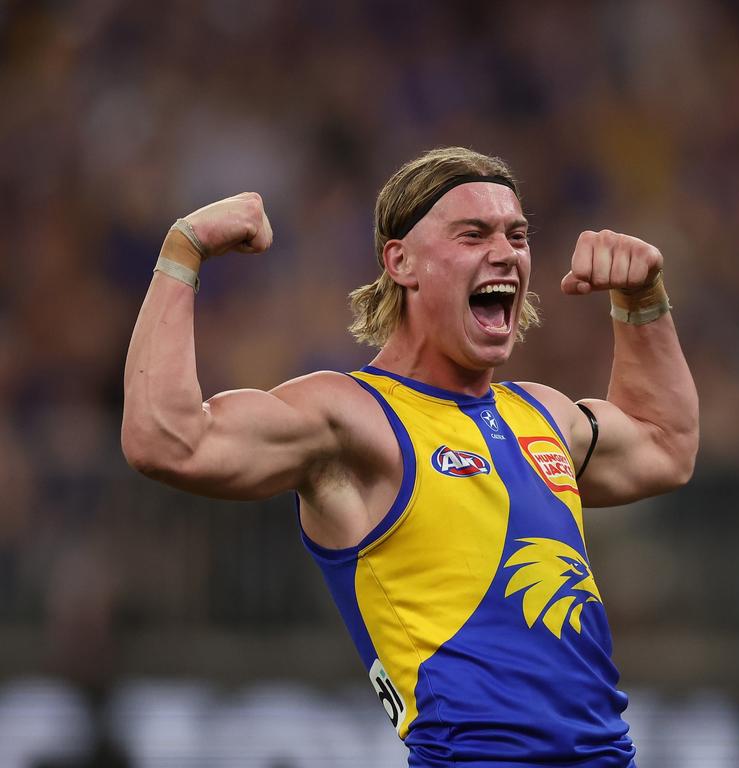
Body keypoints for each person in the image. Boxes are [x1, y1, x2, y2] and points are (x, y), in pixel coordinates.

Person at [122, 147, 699, 767]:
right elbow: (166, 439)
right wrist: (183, 252)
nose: (505, 252)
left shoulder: (542, 414)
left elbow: (665, 444)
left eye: (517, 235)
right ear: (400, 261)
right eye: (473, 234)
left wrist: (641, 301)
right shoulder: (351, 419)